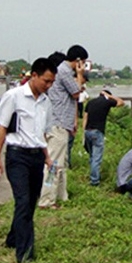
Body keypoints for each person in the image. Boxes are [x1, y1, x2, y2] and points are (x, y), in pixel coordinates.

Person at [0, 58, 57, 263]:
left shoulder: (46, 102)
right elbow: (2, 127)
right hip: (17, 156)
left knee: (30, 202)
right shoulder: (14, 97)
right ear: (34, 76)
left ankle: (13, 237)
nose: (49, 85)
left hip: (36, 156)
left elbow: (41, 134)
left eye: (52, 82)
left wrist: (47, 157)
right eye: (46, 81)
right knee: (22, 201)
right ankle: (25, 254)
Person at [38, 45, 88, 209]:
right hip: (58, 124)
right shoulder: (65, 72)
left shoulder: (62, 71)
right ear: (78, 60)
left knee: (61, 164)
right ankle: (46, 200)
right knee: (53, 165)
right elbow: (77, 93)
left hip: (62, 124)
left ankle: (61, 196)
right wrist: (79, 74)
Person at [83, 90, 124, 186]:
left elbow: (85, 117)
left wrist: (84, 132)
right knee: (96, 158)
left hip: (87, 131)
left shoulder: (91, 102)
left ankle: (93, 175)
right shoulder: (107, 102)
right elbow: (121, 102)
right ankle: (94, 181)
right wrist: (110, 96)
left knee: (92, 156)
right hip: (98, 132)